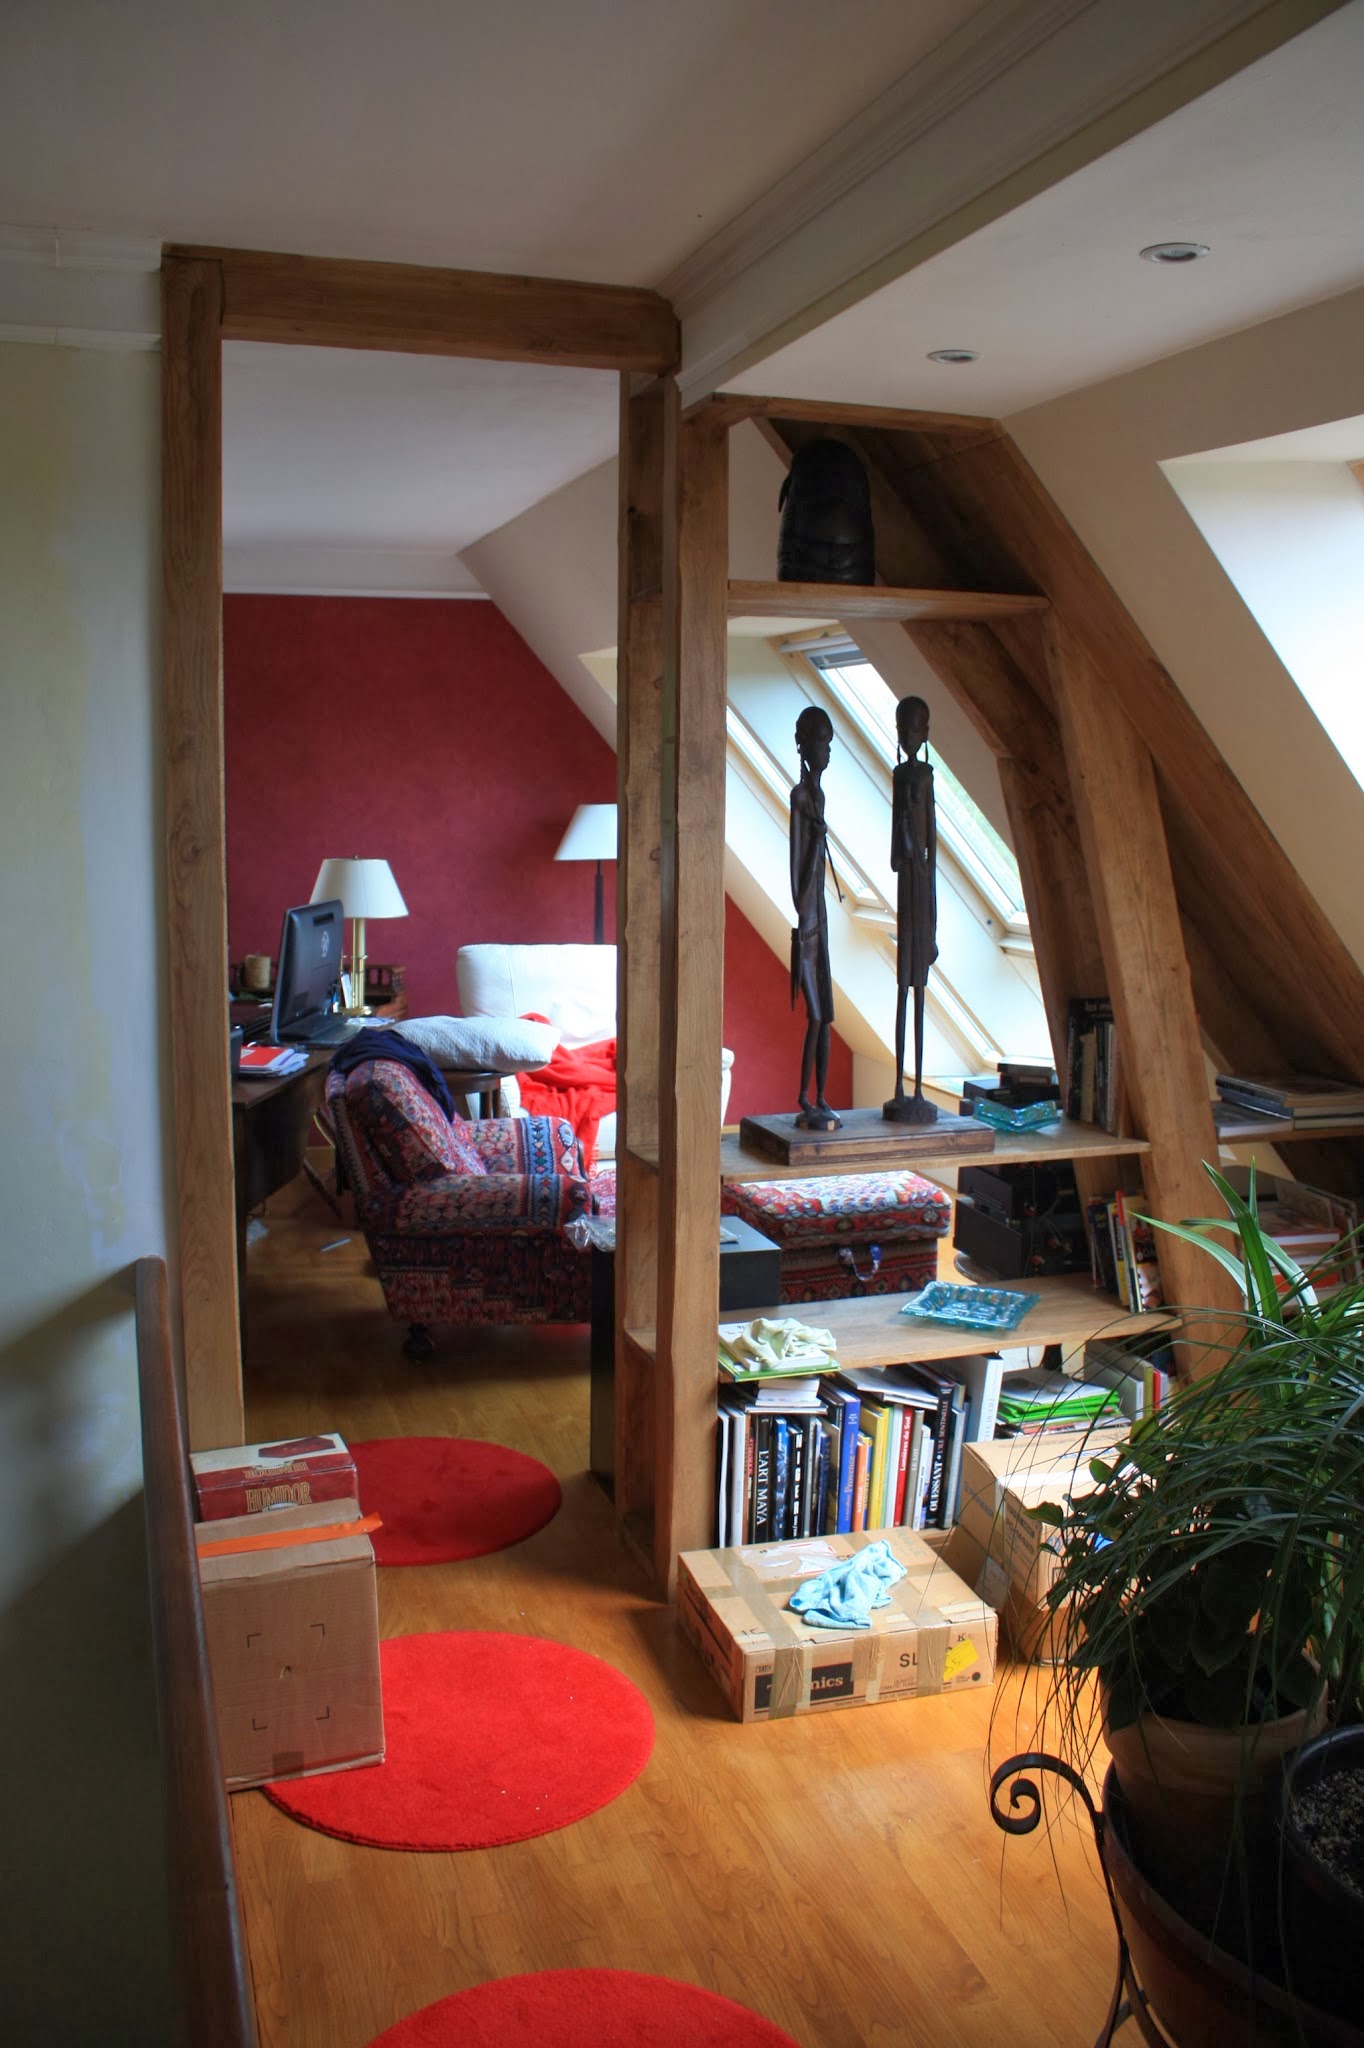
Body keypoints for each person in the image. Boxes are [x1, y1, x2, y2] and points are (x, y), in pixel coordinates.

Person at [885, 694, 939, 1124]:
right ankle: (901, 1085)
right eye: (903, 730)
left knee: (919, 990)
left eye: (915, 730)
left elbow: (932, 844)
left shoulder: (926, 776)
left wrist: (932, 916)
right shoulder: (900, 776)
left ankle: (918, 1085)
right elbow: (893, 856)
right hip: (907, 889)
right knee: (903, 989)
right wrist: (905, 846)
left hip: (921, 891)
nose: (908, 738)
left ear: (925, 733)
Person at [789, 706, 842, 1129]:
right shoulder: (801, 798)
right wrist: (817, 840)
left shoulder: (820, 798)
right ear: (804, 746)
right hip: (807, 924)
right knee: (817, 1015)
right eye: (822, 743)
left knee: (828, 1017)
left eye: (829, 743)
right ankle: (804, 1097)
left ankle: (822, 1096)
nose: (828, 751)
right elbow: (798, 887)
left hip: (822, 923)